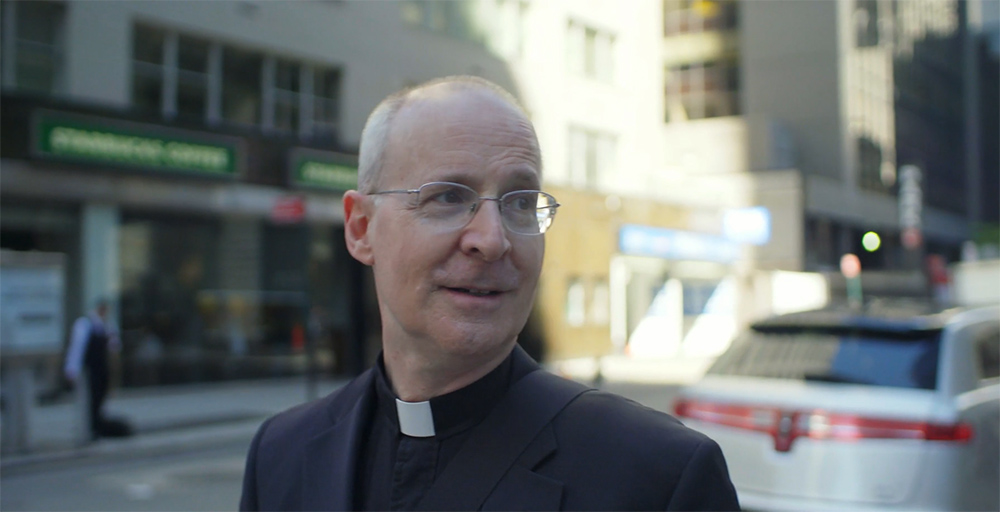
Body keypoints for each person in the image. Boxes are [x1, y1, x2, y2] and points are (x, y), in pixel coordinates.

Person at [240, 76, 740, 511]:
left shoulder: (659, 476)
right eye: (448, 197)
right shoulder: (281, 452)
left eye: (520, 203)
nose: (493, 239)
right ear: (361, 228)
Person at [64, 298, 121, 440]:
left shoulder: (107, 326)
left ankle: (97, 426)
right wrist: (72, 369)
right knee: (90, 399)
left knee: (100, 399)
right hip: (90, 369)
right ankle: (90, 428)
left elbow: (114, 347)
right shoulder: (85, 324)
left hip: (102, 368)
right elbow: (77, 348)